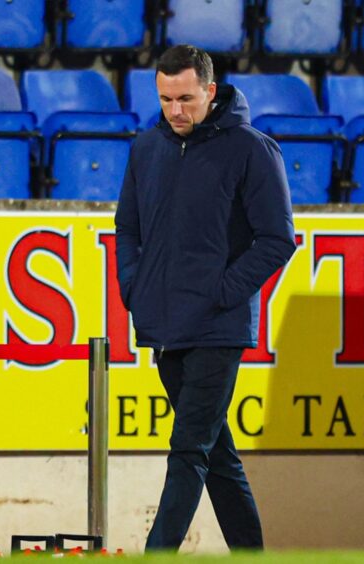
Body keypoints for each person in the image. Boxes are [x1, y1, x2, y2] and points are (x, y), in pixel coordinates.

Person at [115, 44, 296, 551]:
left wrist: (222, 293)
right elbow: (126, 228)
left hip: (219, 327)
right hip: (163, 324)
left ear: (210, 92)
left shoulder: (251, 149)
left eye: (187, 99)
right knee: (216, 455)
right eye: (167, 98)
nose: (176, 110)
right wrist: (135, 288)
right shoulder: (146, 148)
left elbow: (278, 239)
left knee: (189, 448)